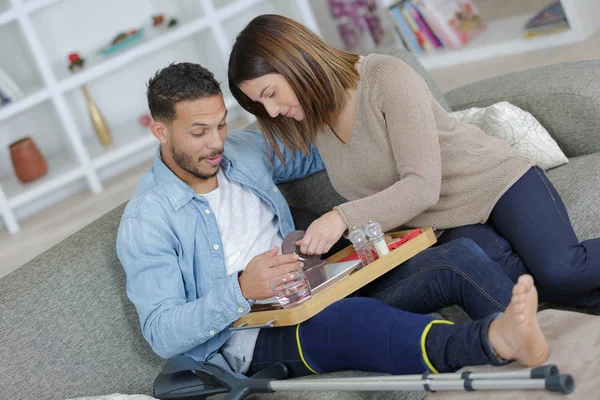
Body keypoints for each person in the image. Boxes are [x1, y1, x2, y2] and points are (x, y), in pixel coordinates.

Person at [116, 61, 549, 379]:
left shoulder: (241, 152)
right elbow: (161, 332)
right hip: (254, 334)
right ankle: (494, 341)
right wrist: (241, 290)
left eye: (221, 125)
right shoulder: (147, 220)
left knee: (458, 260)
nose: (216, 143)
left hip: (317, 287)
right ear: (160, 132)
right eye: (198, 133)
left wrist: (394, 116)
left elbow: (320, 146)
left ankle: (539, 343)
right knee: (355, 323)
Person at [227, 14, 600, 310]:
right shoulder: (309, 118)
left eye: (270, 94)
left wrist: (341, 216)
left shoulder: (385, 77)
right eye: (261, 107)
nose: (273, 110)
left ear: (296, 61)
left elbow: (422, 185)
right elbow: (251, 152)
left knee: (563, 273)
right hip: (443, 224)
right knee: (512, 286)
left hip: (496, 182)